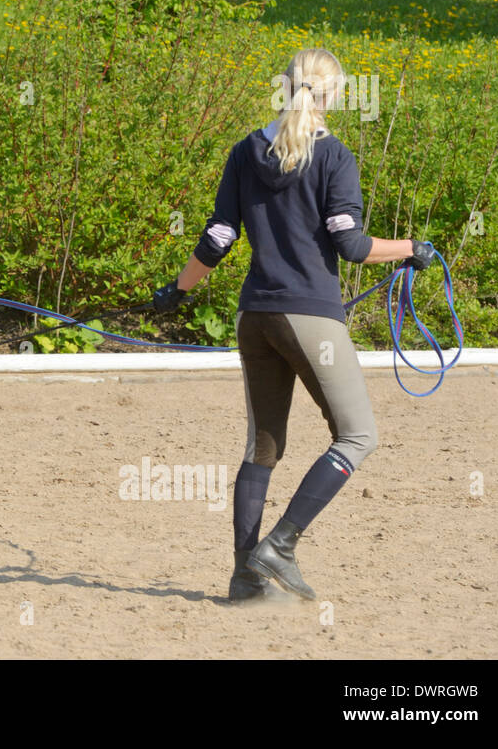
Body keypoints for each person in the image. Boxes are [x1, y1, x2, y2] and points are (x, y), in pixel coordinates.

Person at [151, 47, 436, 603]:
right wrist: (412, 249)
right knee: (358, 437)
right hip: (309, 317)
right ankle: (279, 546)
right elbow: (350, 245)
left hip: (254, 316)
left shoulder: (243, 152)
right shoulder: (335, 158)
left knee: (262, 448)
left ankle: (243, 577)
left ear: (285, 87)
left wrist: (177, 291)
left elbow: (218, 238)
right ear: (334, 97)